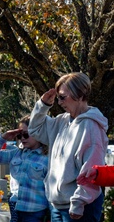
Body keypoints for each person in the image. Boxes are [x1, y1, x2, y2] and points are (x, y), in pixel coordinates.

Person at [28, 72, 108, 221]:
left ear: (80, 94)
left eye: (63, 97)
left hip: (80, 206)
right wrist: (43, 105)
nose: (59, 102)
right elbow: (34, 130)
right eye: (58, 97)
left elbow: (92, 168)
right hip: (58, 204)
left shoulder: (90, 126)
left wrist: (79, 202)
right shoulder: (61, 121)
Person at [0, 115, 49, 222]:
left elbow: (51, 188)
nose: (22, 138)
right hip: (15, 206)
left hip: (35, 210)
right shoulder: (16, 153)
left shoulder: (47, 158)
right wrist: (2, 138)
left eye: (26, 134)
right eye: (19, 135)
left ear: (39, 133)